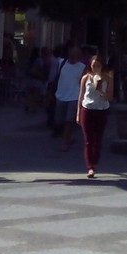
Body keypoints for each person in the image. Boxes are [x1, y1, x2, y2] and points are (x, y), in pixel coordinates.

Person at [78, 49, 114, 178]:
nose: (95, 68)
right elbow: (81, 96)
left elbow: (110, 97)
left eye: (98, 66)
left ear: (102, 66)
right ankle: (90, 167)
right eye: (93, 66)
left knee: (98, 139)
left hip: (101, 110)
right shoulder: (85, 78)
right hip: (87, 109)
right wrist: (78, 113)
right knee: (88, 140)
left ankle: (95, 162)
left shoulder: (108, 78)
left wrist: (101, 91)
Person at [52, 46, 87, 153]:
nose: (74, 57)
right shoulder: (62, 63)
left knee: (69, 120)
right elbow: (56, 77)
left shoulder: (82, 67)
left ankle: (64, 142)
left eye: (77, 55)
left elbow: (84, 82)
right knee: (59, 120)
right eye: (73, 54)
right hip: (60, 95)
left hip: (74, 96)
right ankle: (69, 137)